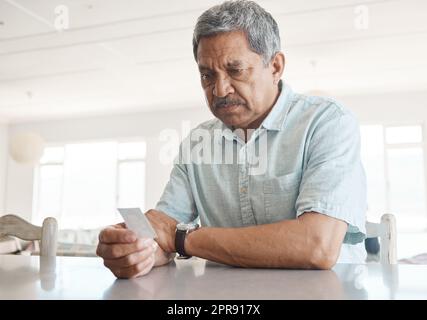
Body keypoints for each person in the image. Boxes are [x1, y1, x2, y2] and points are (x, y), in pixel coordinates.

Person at [96, 0, 367, 279]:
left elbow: (316, 246)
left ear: (275, 67)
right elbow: (162, 229)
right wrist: (135, 250)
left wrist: (182, 239)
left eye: (235, 71)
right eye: (207, 75)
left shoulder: (328, 122)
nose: (220, 89)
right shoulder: (197, 144)